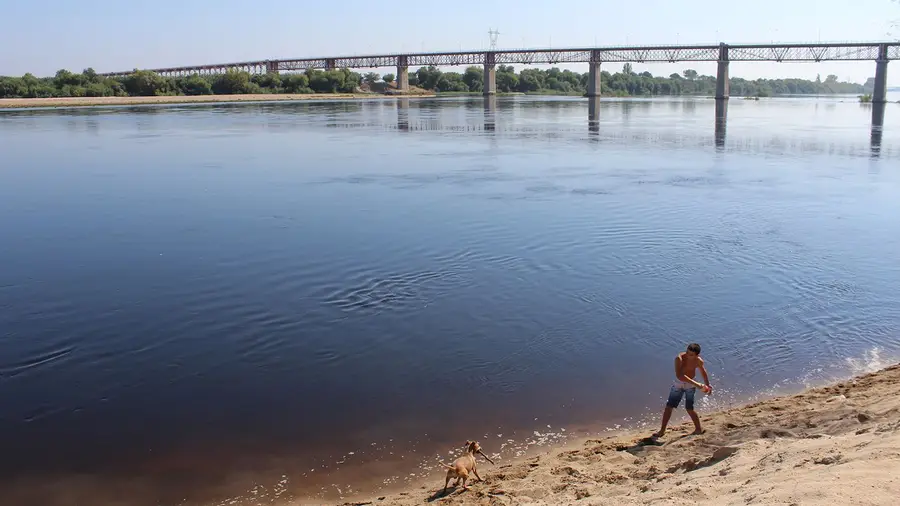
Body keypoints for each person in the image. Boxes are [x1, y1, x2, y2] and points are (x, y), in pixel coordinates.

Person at [653, 343, 712, 437]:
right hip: (679, 384)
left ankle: (698, 429)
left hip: (691, 385)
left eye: (691, 355)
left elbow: (703, 372)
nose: (688, 356)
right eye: (687, 353)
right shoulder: (679, 359)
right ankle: (662, 431)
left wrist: (707, 385)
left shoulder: (698, 361)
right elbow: (679, 376)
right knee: (669, 407)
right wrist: (697, 384)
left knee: (689, 408)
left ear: (697, 355)